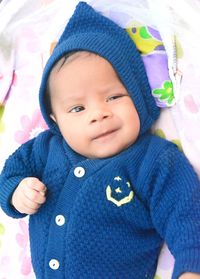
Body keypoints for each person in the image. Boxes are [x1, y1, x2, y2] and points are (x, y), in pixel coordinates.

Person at [0, 2, 200, 279]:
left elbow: (186, 214)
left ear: (139, 97)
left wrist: (191, 267)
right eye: (77, 109)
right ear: (55, 119)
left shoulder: (153, 161)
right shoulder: (45, 149)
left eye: (114, 97)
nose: (98, 114)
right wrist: (17, 192)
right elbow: (11, 172)